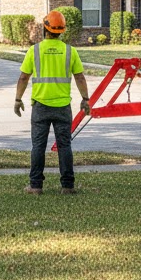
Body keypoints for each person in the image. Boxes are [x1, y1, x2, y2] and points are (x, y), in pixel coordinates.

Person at [14, 10, 91, 194]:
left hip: (40, 106)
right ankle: (67, 186)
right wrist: (85, 99)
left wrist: (18, 99)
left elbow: (24, 77)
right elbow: (79, 77)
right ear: (61, 31)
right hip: (63, 106)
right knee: (65, 145)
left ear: (45, 29)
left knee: (38, 146)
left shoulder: (35, 50)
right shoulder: (70, 51)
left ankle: (35, 186)